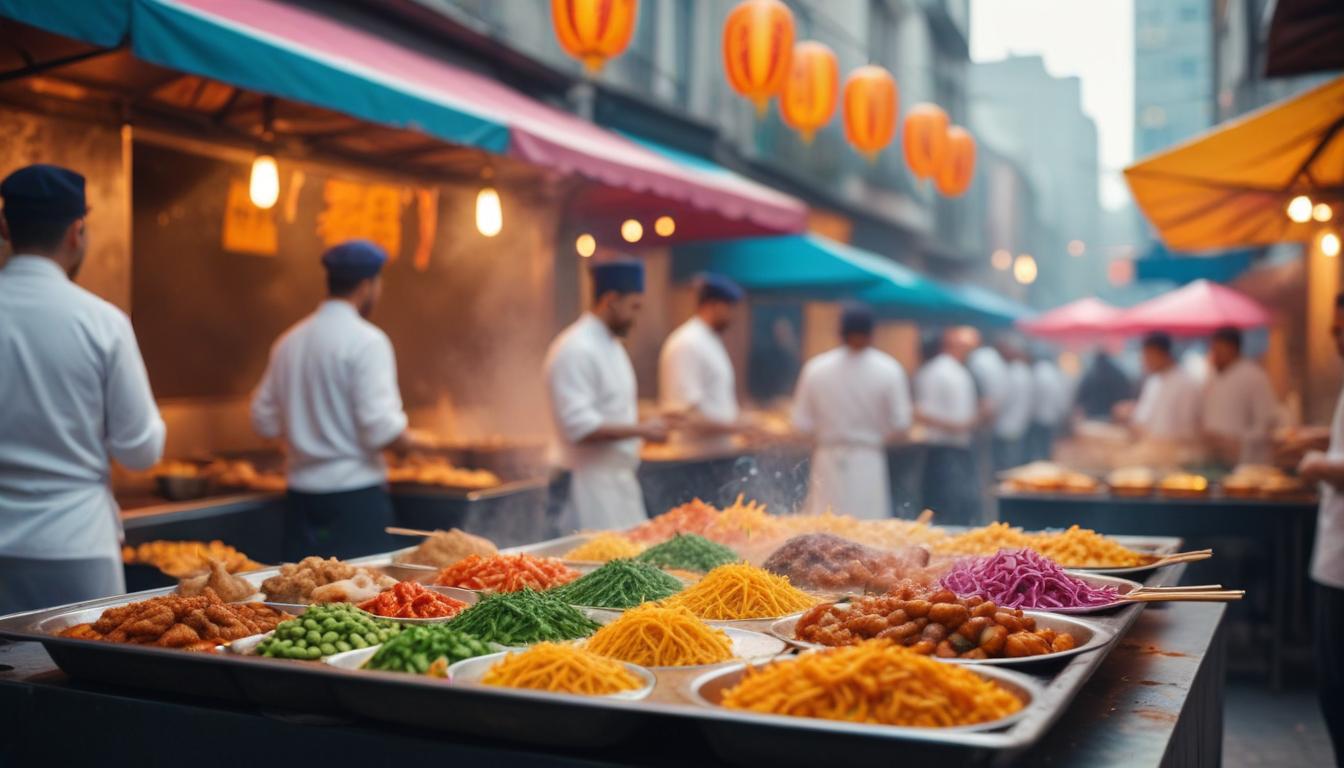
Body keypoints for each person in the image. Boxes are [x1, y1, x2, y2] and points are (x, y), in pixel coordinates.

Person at [0, 164, 165, 614]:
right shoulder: (102, 322)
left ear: (5, 226)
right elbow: (140, 452)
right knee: (78, 670)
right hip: (75, 543)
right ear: (77, 231)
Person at [250, 240, 426, 561]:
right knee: (364, 602)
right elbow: (380, 428)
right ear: (366, 285)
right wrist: (413, 445)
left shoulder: (289, 342)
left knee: (300, 602)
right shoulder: (368, 341)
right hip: (355, 501)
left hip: (300, 499)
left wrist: (303, 431)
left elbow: (262, 419)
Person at [545, 260, 668, 531]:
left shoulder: (611, 345)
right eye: (634, 306)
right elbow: (579, 427)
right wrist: (643, 430)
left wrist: (654, 419)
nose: (637, 317)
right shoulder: (575, 348)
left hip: (618, 485)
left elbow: (612, 411)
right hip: (586, 489)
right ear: (611, 300)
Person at [791, 304, 912, 519]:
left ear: (840, 333)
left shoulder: (816, 368)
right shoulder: (889, 369)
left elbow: (801, 424)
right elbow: (902, 426)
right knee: (869, 528)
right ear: (872, 333)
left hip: (827, 457)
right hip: (868, 458)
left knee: (823, 527)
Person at [1297, 293, 1344, 761]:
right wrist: (1323, 438)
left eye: (1340, 330)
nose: (1334, 339)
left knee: (1337, 685)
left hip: (1341, 564)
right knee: (1332, 684)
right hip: (1333, 557)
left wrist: (1316, 462)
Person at [658, 274, 750, 449]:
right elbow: (682, 416)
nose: (733, 315)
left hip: (716, 454)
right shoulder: (686, 342)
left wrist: (740, 421)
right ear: (712, 305)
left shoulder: (710, 340)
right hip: (693, 457)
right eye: (729, 307)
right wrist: (737, 427)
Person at [915, 326, 982, 525]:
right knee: (946, 511)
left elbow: (923, 414)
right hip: (945, 450)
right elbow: (926, 415)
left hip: (950, 451)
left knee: (947, 510)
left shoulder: (950, 371)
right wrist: (962, 424)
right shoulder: (943, 371)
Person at [1201, 326, 1279, 466]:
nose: (1215, 355)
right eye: (1213, 350)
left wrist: (1237, 441)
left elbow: (1267, 423)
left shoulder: (1254, 376)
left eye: (1219, 350)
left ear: (1233, 348)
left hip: (1246, 462)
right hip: (1215, 459)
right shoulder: (1213, 377)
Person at [1127, 331, 1201, 441]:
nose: (1145, 361)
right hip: (1149, 446)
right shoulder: (1153, 381)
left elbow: (1187, 427)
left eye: (1148, 356)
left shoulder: (1186, 383)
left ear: (1162, 354)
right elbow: (1143, 416)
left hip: (1173, 449)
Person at [993, 340, 1034, 471]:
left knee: (1005, 465)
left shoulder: (1012, 372)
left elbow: (1003, 399)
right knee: (1013, 462)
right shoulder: (1026, 372)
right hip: (1019, 424)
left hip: (1006, 425)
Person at [1026, 353, 1070, 461]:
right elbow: (1061, 398)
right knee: (1046, 448)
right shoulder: (1055, 374)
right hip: (1051, 417)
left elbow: (1031, 397)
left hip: (1037, 417)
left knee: (1035, 448)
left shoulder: (1036, 372)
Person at [1074, 350, 1133, 420]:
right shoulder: (1117, 373)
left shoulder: (1090, 374)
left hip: (1092, 414)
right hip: (1113, 415)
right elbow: (1126, 393)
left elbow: (1081, 395)